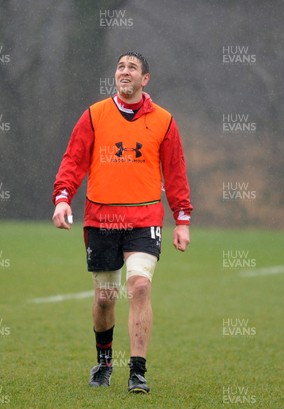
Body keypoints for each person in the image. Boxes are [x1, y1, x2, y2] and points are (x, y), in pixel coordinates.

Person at [51, 51, 192, 394]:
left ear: (146, 79)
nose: (124, 71)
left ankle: (138, 371)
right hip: (101, 219)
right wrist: (62, 199)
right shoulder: (94, 116)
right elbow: (73, 160)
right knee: (105, 297)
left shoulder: (164, 121)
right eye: (120, 66)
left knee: (140, 287)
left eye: (132, 67)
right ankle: (103, 362)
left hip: (144, 218)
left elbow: (175, 173)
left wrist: (183, 218)